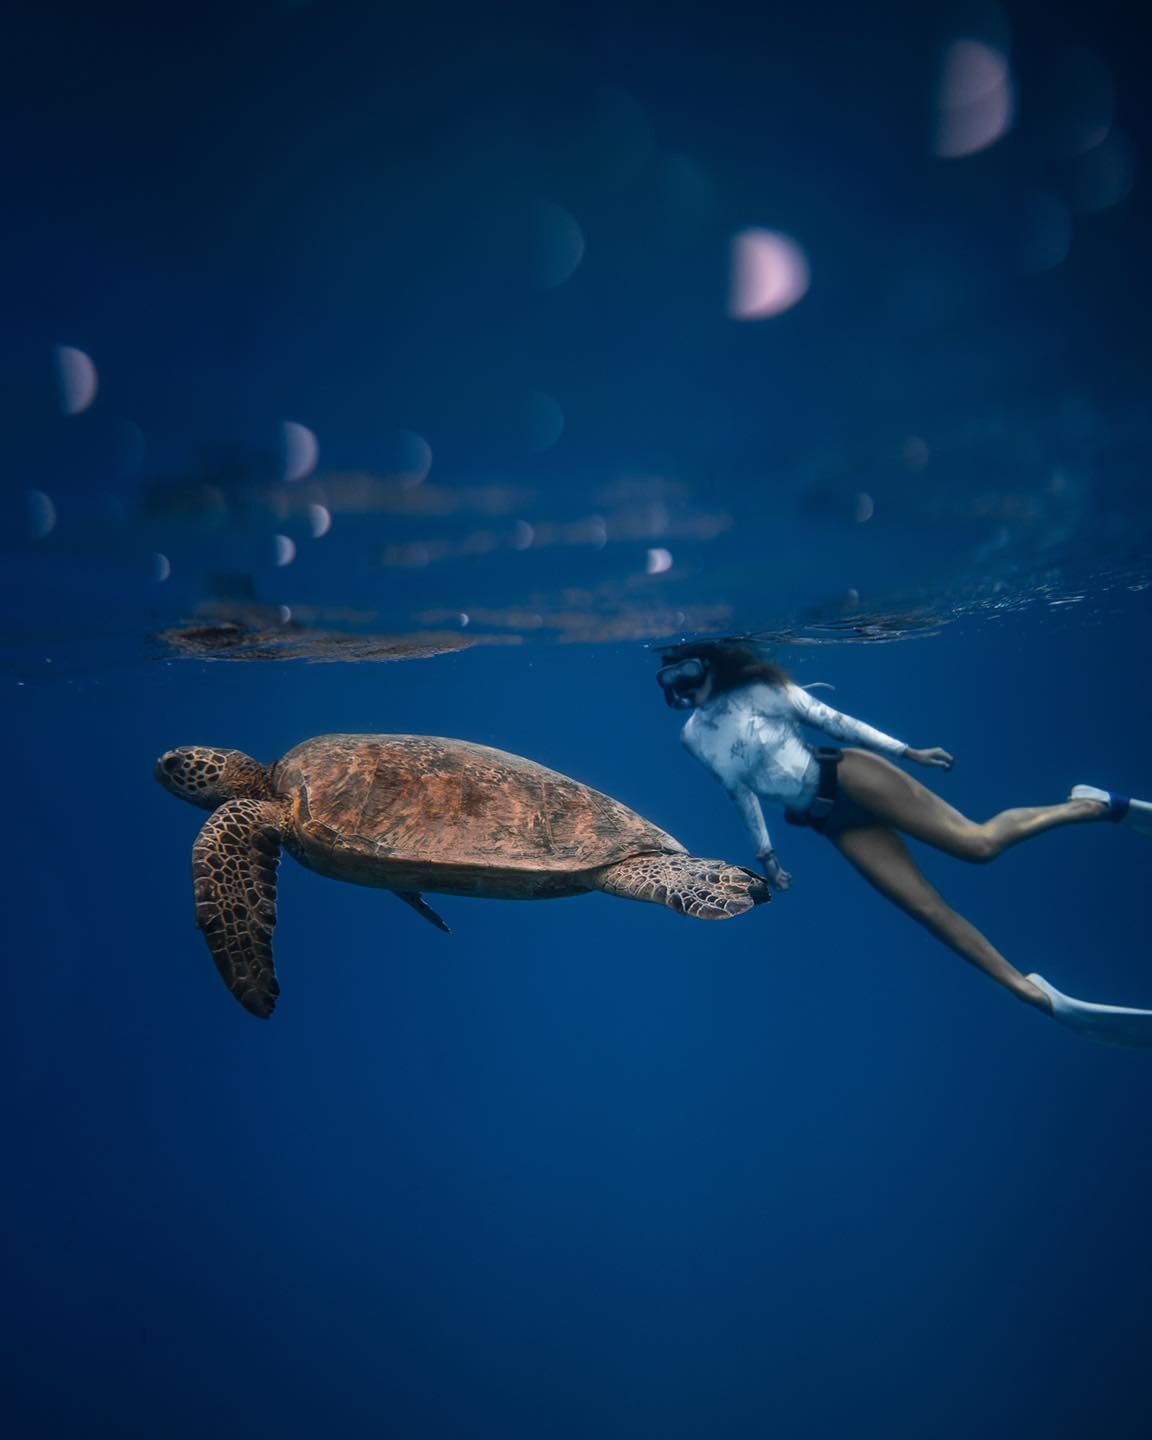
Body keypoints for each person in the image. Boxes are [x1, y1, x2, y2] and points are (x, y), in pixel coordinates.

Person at [656, 639, 1152, 1048]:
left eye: (689, 671)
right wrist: (768, 856)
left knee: (976, 845)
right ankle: (1030, 993)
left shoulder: (761, 690)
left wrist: (908, 751)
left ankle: (1091, 805)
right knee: (926, 909)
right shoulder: (693, 738)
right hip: (827, 820)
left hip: (850, 777)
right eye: (671, 679)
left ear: (712, 664)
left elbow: (834, 721)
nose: (683, 687)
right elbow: (738, 790)